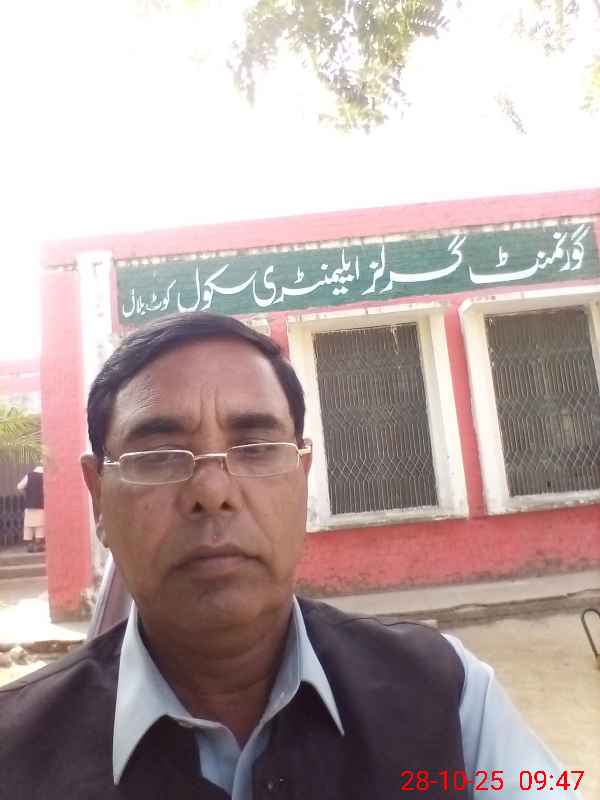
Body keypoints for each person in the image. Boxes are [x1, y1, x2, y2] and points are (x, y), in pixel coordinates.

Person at [0, 312, 584, 799]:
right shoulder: (15, 752)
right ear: (99, 497)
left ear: (302, 477)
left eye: (255, 448)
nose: (213, 492)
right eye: (158, 455)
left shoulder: (449, 696)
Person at [16, 462, 45, 553]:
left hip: (29, 505)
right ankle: (39, 545)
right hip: (41, 505)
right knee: (40, 526)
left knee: (28, 525)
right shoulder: (45, 476)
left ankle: (29, 545)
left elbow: (19, 486)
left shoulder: (29, 475)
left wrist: (26, 492)